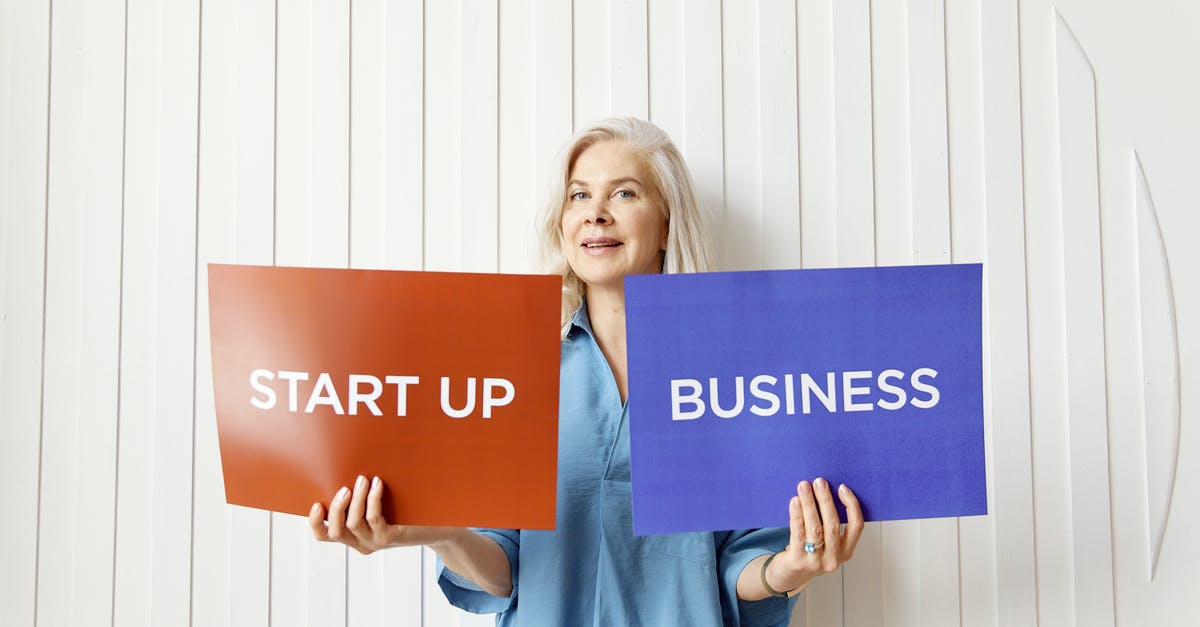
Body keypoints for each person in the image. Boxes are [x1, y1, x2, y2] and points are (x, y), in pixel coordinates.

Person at [309, 117, 865, 626]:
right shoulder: (510, 372)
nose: (596, 212)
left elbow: (735, 566)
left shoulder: (740, 380)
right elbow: (505, 569)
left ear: (668, 224)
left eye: (624, 192)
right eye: (580, 195)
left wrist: (792, 568)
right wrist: (441, 534)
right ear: (564, 223)